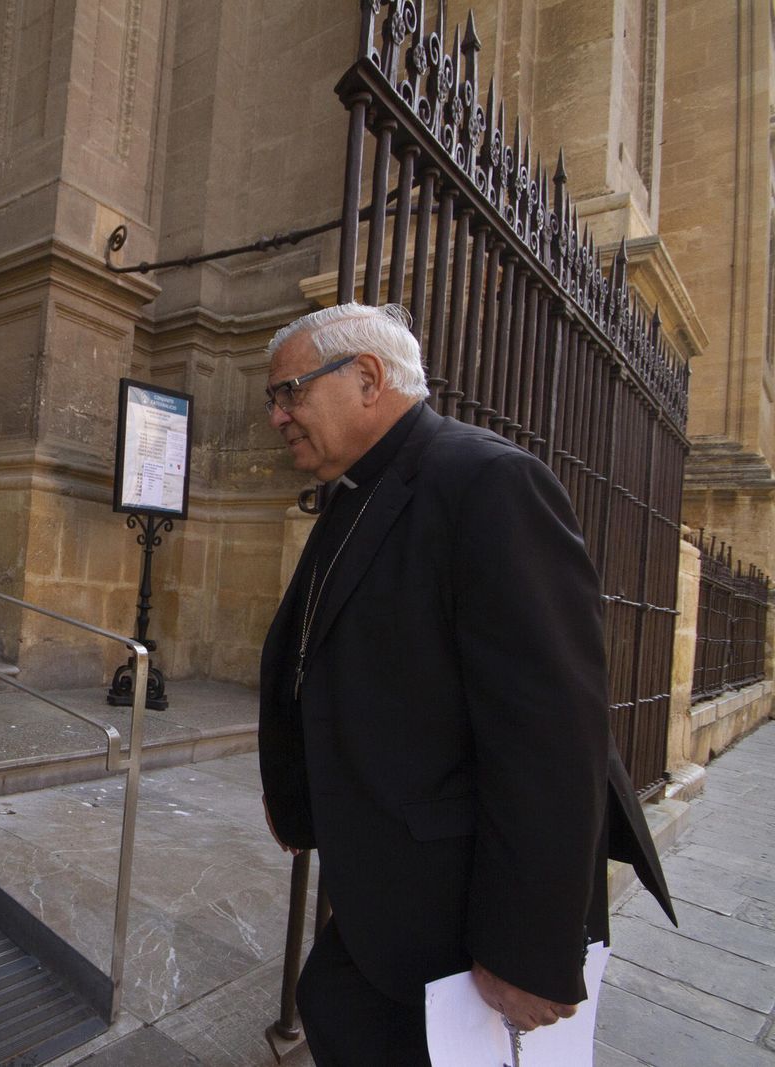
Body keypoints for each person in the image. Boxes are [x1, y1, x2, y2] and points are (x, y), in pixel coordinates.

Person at [256, 303, 675, 1065]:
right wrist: (298, 794)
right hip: (390, 886)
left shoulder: (487, 481)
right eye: (274, 399)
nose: (279, 415)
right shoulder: (360, 488)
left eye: (289, 392)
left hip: (459, 912)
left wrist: (526, 947)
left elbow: (551, 732)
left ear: (369, 377)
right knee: (335, 1008)